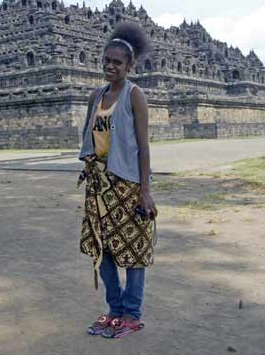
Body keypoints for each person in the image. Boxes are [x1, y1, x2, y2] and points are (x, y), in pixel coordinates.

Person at [78, 22, 157, 339]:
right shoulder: (95, 96)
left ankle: (132, 313)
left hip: (128, 185)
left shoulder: (134, 95)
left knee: (134, 250)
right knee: (104, 249)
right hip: (99, 186)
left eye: (118, 62)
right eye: (107, 60)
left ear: (129, 65)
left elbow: (143, 145)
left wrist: (146, 191)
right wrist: (87, 168)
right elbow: (89, 137)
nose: (111, 66)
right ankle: (114, 308)